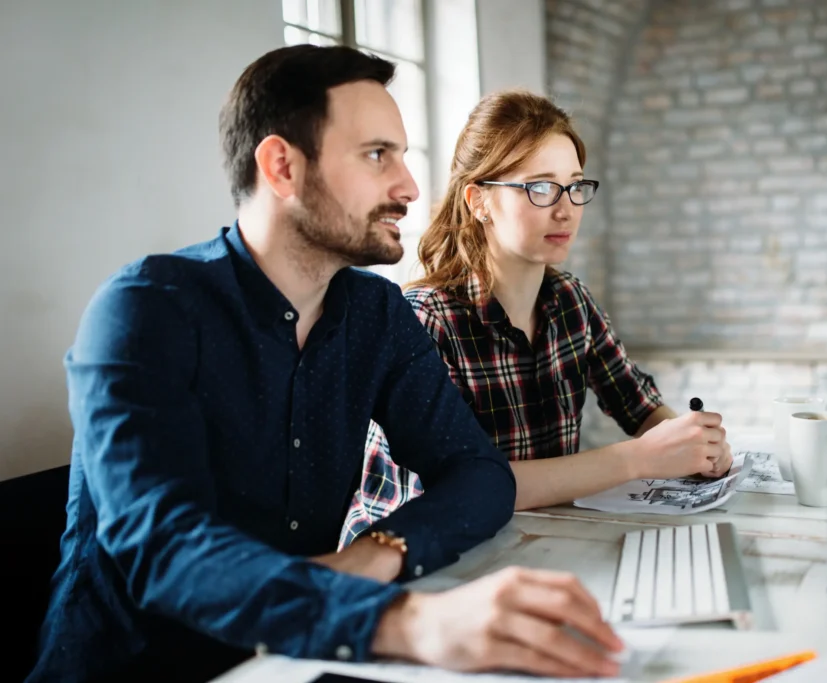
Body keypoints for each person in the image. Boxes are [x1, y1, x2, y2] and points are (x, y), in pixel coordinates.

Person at [27, 46, 625, 683]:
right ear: (282, 165)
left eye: (402, 154)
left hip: (303, 654)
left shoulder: (376, 312)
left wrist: (379, 553)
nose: (410, 187)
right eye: (377, 156)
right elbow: (168, 551)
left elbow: (480, 475)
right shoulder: (147, 309)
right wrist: (409, 622)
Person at [344, 90, 733, 544]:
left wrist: (694, 444)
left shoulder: (570, 300)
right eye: (541, 187)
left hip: (525, 541)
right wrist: (640, 459)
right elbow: (464, 487)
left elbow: (641, 407)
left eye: (575, 185)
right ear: (479, 201)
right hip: (409, 560)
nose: (566, 208)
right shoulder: (427, 320)